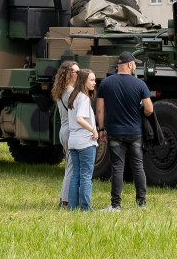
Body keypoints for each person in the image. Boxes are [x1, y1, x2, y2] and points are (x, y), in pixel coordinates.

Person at [95, 52, 154, 212]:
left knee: (117, 168)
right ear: (129, 65)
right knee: (138, 167)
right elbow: (149, 109)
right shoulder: (140, 84)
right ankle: (141, 204)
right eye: (134, 64)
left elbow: (99, 110)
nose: (135, 66)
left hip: (115, 133)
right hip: (135, 133)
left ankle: (115, 205)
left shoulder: (106, 83)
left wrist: (101, 129)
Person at [66, 69, 99, 211]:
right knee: (86, 175)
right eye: (91, 80)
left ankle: (72, 207)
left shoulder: (74, 96)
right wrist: (93, 130)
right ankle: (85, 208)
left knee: (76, 175)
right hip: (85, 141)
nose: (94, 82)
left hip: (73, 141)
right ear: (83, 82)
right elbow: (80, 118)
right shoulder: (84, 99)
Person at [51, 61, 79, 208]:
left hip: (64, 130)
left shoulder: (62, 91)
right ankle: (65, 201)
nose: (79, 75)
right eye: (76, 72)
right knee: (71, 167)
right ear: (69, 74)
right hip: (70, 131)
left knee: (69, 166)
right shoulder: (70, 92)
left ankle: (64, 198)